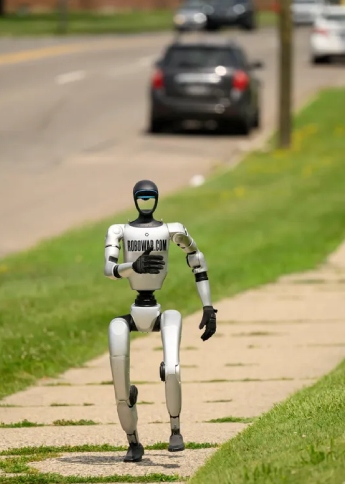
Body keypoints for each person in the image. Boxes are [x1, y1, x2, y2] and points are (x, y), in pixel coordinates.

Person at [102, 179, 218, 463]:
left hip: (159, 311)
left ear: (155, 199)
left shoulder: (171, 230)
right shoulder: (119, 230)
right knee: (119, 378)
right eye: (141, 198)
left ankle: (175, 429)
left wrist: (208, 307)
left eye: (149, 197)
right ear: (134, 199)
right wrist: (133, 266)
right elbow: (108, 269)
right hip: (133, 310)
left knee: (173, 368)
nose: (145, 202)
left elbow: (197, 260)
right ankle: (133, 440)